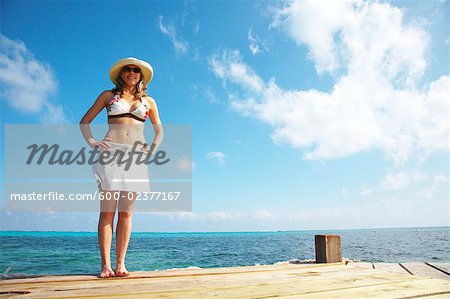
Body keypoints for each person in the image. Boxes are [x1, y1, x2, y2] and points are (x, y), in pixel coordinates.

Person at [80, 57, 163, 278]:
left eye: (136, 70)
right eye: (128, 69)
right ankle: (106, 265)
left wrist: (151, 150)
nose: (132, 72)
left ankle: (120, 264)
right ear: (122, 73)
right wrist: (93, 143)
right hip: (109, 154)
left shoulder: (149, 102)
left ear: (141, 76)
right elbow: (85, 121)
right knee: (108, 211)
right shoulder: (109, 96)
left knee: (126, 213)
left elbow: (160, 131)